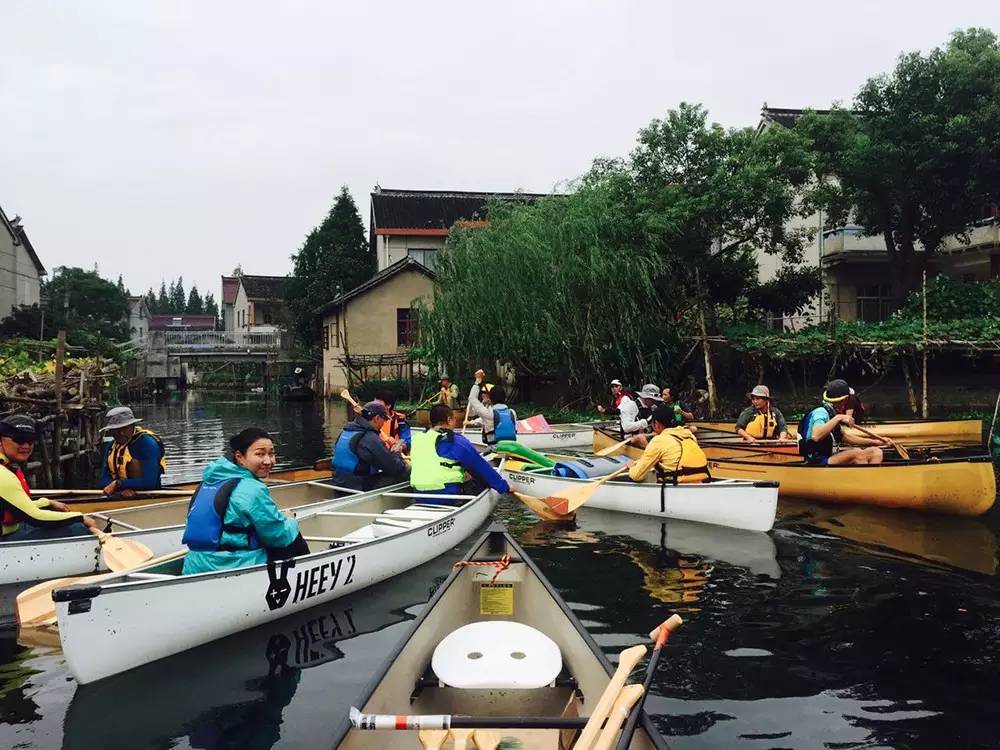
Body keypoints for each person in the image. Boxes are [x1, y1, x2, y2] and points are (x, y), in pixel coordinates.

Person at [182, 428, 309, 574]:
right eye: (260, 454)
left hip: (194, 565)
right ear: (240, 457)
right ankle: (307, 571)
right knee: (292, 534)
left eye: (271, 453)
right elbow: (278, 536)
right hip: (234, 565)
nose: (268, 461)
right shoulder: (252, 488)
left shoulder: (207, 483)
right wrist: (291, 520)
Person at [1, 414, 98, 541]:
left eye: (30, 440)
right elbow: (35, 517)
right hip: (5, 537)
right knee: (77, 528)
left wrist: (47, 502)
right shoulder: (3, 474)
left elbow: (17, 507)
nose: (26, 445)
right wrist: (80, 517)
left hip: (9, 530)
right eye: (19, 439)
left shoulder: (7, 467)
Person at [410, 405, 510, 503]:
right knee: (480, 479)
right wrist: (504, 487)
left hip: (418, 494)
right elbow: (480, 467)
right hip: (445, 495)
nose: (455, 422)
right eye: (454, 419)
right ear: (449, 420)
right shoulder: (454, 440)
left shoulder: (417, 438)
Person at [798, 379, 889, 465]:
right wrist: (838, 418)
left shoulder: (832, 413)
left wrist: (877, 442)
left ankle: (871, 479)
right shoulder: (821, 412)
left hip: (829, 458)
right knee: (857, 454)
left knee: (875, 452)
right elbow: (816, 435)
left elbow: (845, 437)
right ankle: (862, 479)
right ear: (844, 400)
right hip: (817, 460)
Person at [332, 401, 410, 490]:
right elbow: (395, 468)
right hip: (359, 486)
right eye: (384, 419)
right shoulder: (370, 437)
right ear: (376, 418)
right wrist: (396, 453)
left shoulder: (345, 431)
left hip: (338, 482)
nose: (384, 423)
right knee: (406, 469)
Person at [626, 404, 710, 484]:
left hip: (678, 487)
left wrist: (632, 467)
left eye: (652, 425)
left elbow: (636, 476)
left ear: (657, 424)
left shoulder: (658, 441)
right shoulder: (689, 435)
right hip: (702, 482)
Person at [99, 406, 167, 497]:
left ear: (132, 425)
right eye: (117, 430)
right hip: (121, 493)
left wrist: (118, 484)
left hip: (149, 495)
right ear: (111, 431)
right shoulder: (111, 446)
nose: (121, 433)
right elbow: (103, 480)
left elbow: (150, 482)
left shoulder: (147, 444)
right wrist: (121, 489)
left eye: (124, 428)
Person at [467, 369, 518, 446]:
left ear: (490, 399)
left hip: (494, 448)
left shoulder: (488, 413)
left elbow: (472, 398)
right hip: (511, 448)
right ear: (505, 398)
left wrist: (477, 381)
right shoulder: (512, 413)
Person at [618, 384, 662, 449]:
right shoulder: (630, 405)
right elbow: (626, 427)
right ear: (645, 397)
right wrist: (644, 422)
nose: (654, 401)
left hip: (647, 436)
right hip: (631, 439)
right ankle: (651, 454)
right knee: (641, 438)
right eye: (652, 399)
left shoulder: (653, 407)